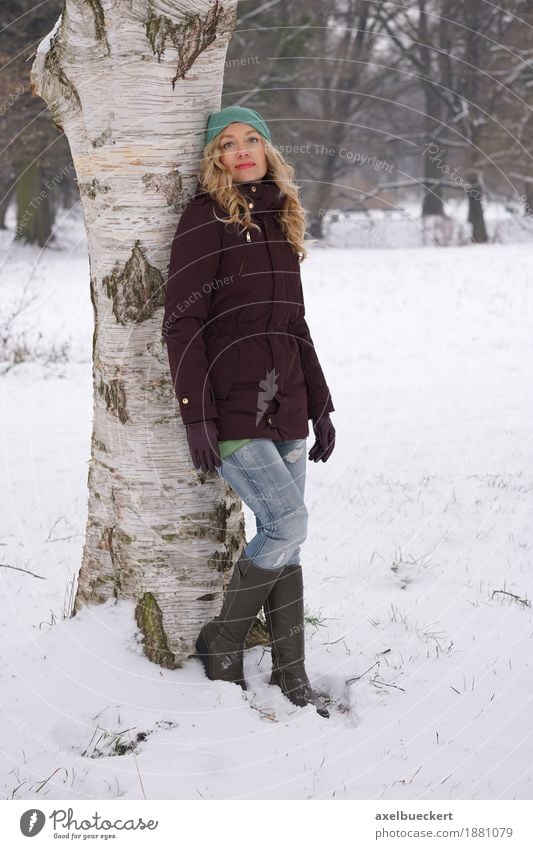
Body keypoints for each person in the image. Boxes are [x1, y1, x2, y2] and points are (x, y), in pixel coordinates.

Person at [162, 105, 336, 718]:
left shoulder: (283, 216)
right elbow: (181, 323)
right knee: (288, 526)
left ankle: (293, 675)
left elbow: (296, 321)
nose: (241, 150)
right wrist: (195, 415)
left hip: (287, 400)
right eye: (227, 143)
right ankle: (224, 640)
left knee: (287, 537)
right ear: (214, 158)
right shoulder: (204, 218)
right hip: (233, 406)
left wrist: (322, 404)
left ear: (267, 148)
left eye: (251, 138)